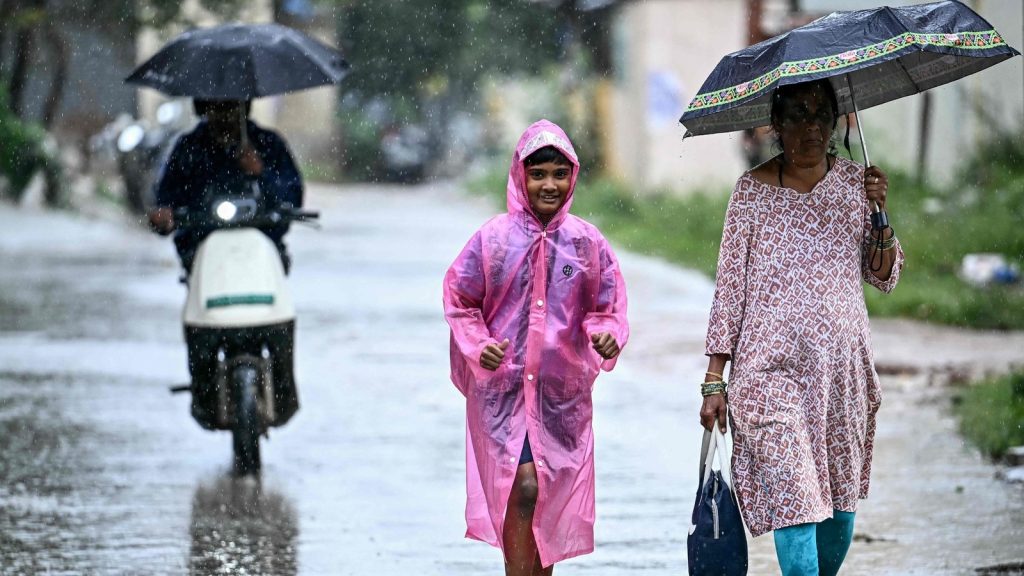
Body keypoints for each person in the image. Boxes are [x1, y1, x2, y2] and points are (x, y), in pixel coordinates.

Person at [698, 79, 904, 576]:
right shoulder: (750, 193)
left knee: (839, 509)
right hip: (768, 377)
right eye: (797, 114)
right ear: (777, 124)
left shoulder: (858, 186)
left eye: (819, 115)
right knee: (796, 500)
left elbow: (885, 277)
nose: (809, 126)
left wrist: (879, 212)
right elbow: (729, 289)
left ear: (835, 123)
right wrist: (713, 379)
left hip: (840, 377)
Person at [443, 119, 629, 575]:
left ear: (573, 177)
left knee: (547, 494)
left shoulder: (587, 244)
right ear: (519, 176)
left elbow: (608, 305)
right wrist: (478, 343)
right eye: (538, 173)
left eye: (559, 173)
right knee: (523, 485)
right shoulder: (493, 240)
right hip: (504, 395)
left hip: (560, 398)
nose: (549, 184)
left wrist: (606, 335)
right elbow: (459, 297)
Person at [147, 99, 303, 273]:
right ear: (204, 108)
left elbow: (293, 195)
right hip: (200, 248)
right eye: (217, 107)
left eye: (231, 107)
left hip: (263, 245)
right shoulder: (189, 147)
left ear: (245, 107)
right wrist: (163, 215)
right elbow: (166, 197)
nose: (225, 116)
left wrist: (261, 172)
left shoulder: (268, 143)